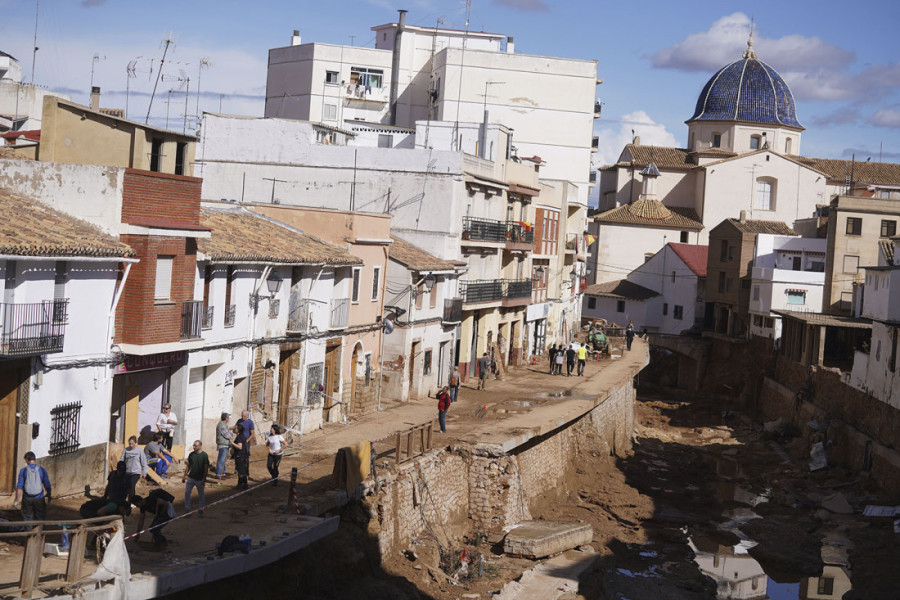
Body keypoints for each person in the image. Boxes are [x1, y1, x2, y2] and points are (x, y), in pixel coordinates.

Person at [14, 452, 51, 521]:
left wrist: (16, 500)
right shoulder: (42, 470)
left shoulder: (23, 470)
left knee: (27, 518)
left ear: (27, 460)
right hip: (39, 498)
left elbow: (19, 487)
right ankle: (39, 530)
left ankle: (28, 531)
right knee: (40, 518)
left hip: (27, 499)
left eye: (25, 460)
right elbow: (47, 484)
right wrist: (49, 495)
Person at [183, 440, 210, 516]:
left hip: (199, 479)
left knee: (201, 494)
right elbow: (188, 466)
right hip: (191, 477)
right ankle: (188, 510)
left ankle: (201, 510)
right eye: (194, 445)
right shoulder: (191, 454)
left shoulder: (204, 455)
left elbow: (206, 468)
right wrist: (184, 476)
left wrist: (203, 479)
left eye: (196, 445)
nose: (194, 447)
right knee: (187, 493)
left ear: (200, 446)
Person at [231, 423, 250, 490]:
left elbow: (240, 447)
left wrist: (232, 443)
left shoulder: (239, 437)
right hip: (242, 456)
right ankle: (241, 484)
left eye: (235, 428)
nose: (234, 429)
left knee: (241, 470)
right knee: (241, 470)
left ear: (238, 430)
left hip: (240, 456)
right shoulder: (241, 436)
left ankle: (244, 484)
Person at [215, 412, 233, 479]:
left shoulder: (224, 425)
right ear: (226, 418)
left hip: (225, 445)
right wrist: (232, 432)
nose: (229, 419)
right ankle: (219, 474)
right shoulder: (222, 425)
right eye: (228, 418)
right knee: (221, 460)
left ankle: (223, 473)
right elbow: (227, 435)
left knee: (224, 460)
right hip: (223, 445)